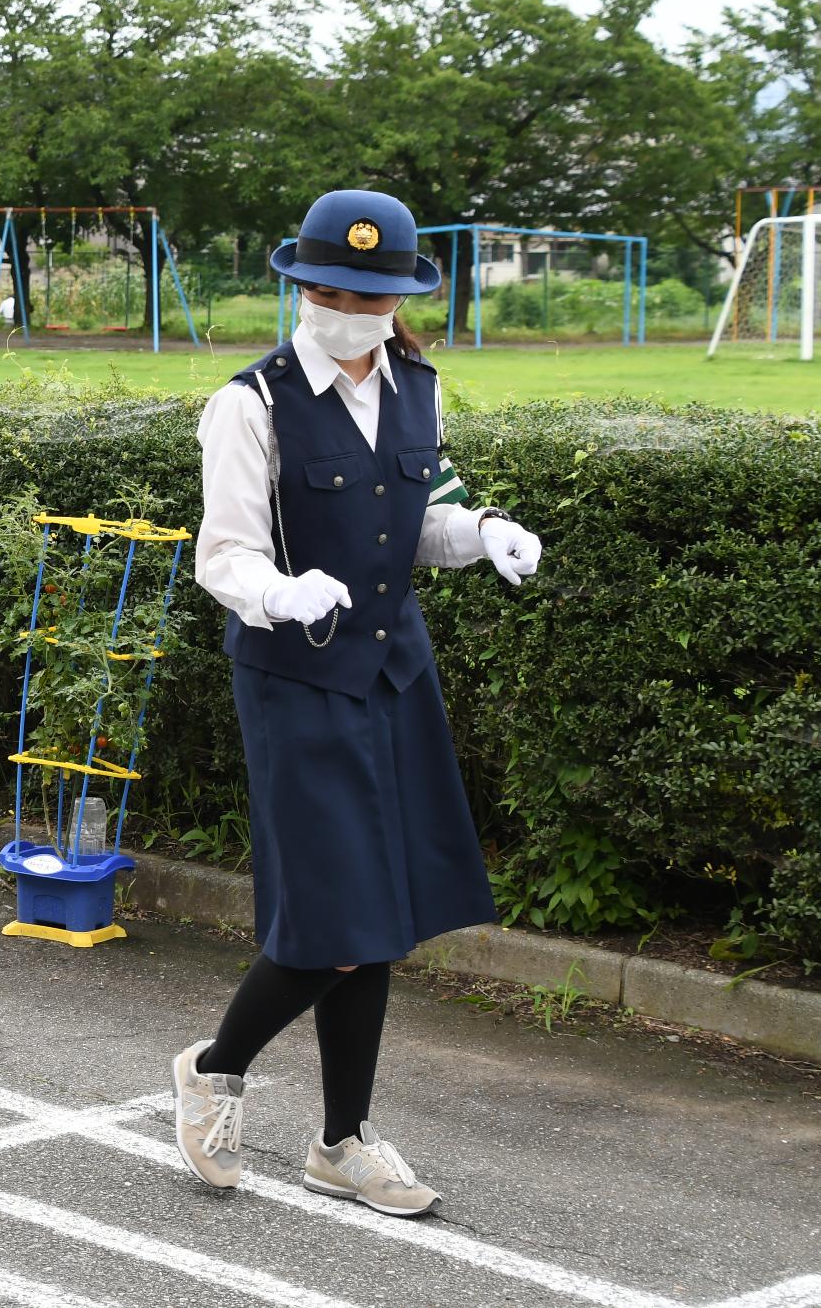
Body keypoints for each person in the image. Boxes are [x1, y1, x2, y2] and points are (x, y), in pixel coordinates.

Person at [171, 190, 543, 1216]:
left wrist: (481, 532)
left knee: (379, 919)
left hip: (391, 673)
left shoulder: (415, 385)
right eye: (331, 288)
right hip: (294, 680)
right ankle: (212, 1066)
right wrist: (276, 594)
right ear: (298, 285)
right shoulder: (247, 402)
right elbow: (224, 554)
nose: (351, 308)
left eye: (371, 294)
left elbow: (420, 518)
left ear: (400, 296)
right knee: (331, 922)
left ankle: (340, 1139)